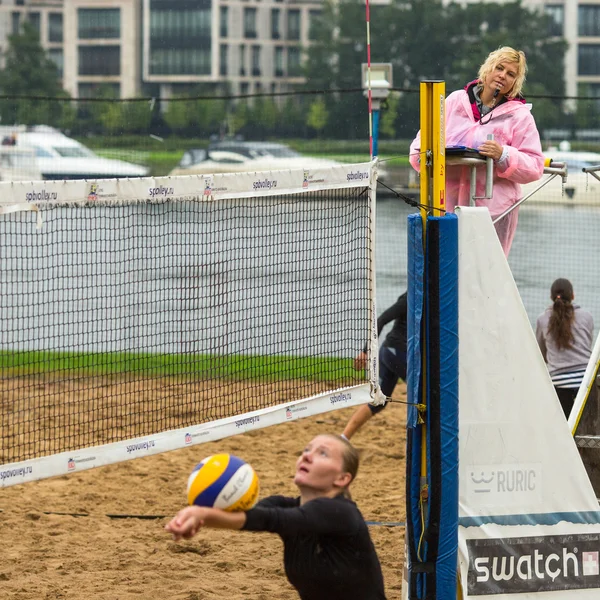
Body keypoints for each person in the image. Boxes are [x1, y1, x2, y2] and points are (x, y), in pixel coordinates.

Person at [166, 433, 387, 600]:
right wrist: (198, 518)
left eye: (322, 453)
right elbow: (254, 515)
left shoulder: (340, 512)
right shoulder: (286, 505)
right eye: (306, 450)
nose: (307, 456)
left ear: (342, 479)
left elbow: (271, 519)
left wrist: (202, 514)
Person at [409, 46, 545, 256]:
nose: (502, 76)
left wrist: (504, 155)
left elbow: (535, 166)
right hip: (445, 211)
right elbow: (418, 149)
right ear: (487, 68)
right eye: (499, 68)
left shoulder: (519, 116)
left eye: (511, 74)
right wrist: (432, 154)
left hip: (493, 214)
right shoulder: (454, 102)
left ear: (515, 82)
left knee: (485, 274)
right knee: (445, 273)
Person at [342, 292, 407, 441]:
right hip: (395, 353)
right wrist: (365, 352)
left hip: (389, 352)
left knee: (378, 402)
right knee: (423, 393)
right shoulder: (409, 298)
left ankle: (344, 438)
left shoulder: (429, 299)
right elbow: (381, 320)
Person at [535, 278, 594, 419]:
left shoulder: (542, 320)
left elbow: (541, 355)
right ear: (572, 295)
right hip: (585, 383)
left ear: (551, 297)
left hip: (559, 385)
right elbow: (587, 345)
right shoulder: (587, 316)